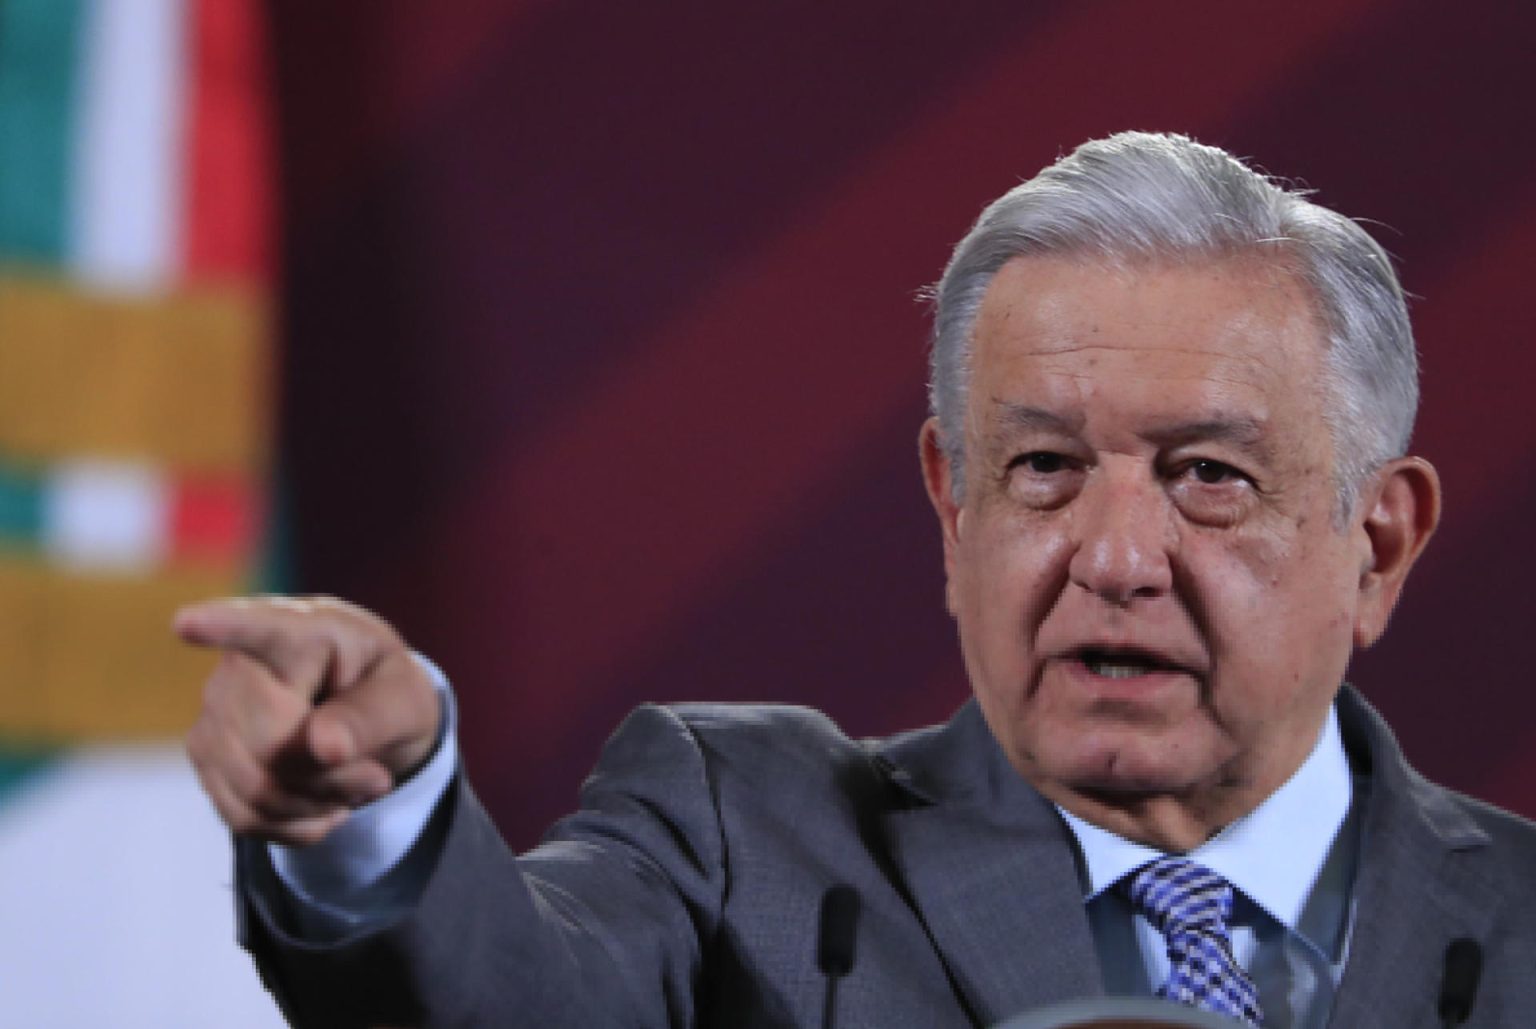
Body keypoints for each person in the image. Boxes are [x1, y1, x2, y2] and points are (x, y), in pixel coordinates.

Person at [180, 132, 1536, 1028]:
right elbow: (513, 997)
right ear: (955, 503)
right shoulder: (746, 842)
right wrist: (374, 814)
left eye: (1209, 476)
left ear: (1379, 542)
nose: (1115, 560)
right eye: (1045, 468)